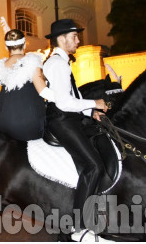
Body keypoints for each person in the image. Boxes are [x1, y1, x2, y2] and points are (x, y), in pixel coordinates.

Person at [41, 19, 110, 243]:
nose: (78, 40)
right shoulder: (56, 64)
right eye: (74, 37)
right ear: (62, 39)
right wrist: (96, 102)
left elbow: (75, 96)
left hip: (70, 117)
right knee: (93, 166)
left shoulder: (64, 63)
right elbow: (63, 102)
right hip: (61, 119)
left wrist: (91, 112)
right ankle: (78, 227)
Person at [0, 28, 47, 141]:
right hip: (27, 121)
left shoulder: (1, 66)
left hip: (2, 122)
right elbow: (43, 91)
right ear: (25, 45)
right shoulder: (31, 61)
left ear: (6, 47)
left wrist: (10, 34)